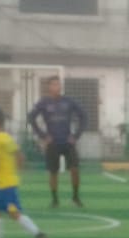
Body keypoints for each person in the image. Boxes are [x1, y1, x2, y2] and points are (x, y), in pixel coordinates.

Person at [0, 107, 48, 238]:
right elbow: (20, 156)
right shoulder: (7, 137)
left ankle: (38, 234)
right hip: (8, 182)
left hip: (5, 185)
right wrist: (17, 170)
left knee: (14, 213)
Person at [27, 76, 88, 208]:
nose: (57, 87)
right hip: (53, 143)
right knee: (53, 172)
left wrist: (76, 136)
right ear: (49, 87)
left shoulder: (69, 101)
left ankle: (75, 197)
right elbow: (31, 117)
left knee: (75, 169)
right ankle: (55, 200)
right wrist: (43, 135)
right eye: (54, 84)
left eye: (58, 84)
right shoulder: (43, 102)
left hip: (68, 142)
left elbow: (83, 116)